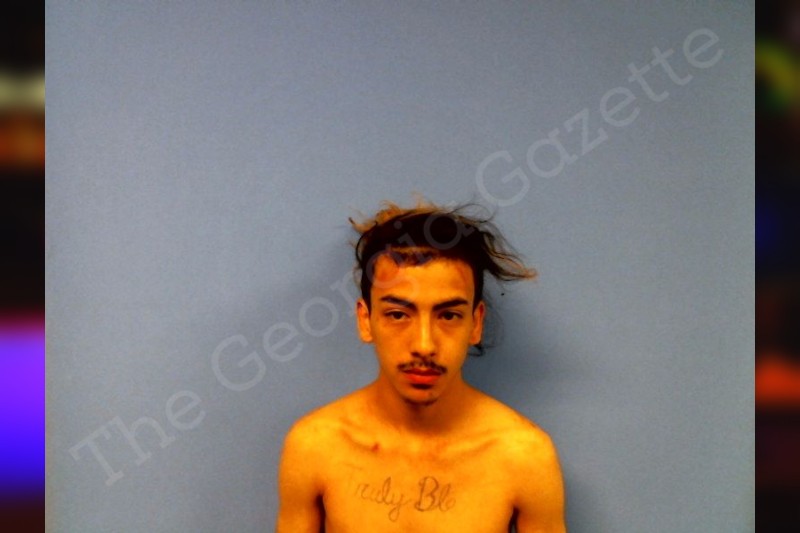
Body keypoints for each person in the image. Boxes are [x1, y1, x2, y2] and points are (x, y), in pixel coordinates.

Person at [276, 199, 566, 532]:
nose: (424, 345)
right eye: (398, 314)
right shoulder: (315, 446)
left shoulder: (524, 456)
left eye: (449, 315)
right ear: (365, 320)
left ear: (476, 323)